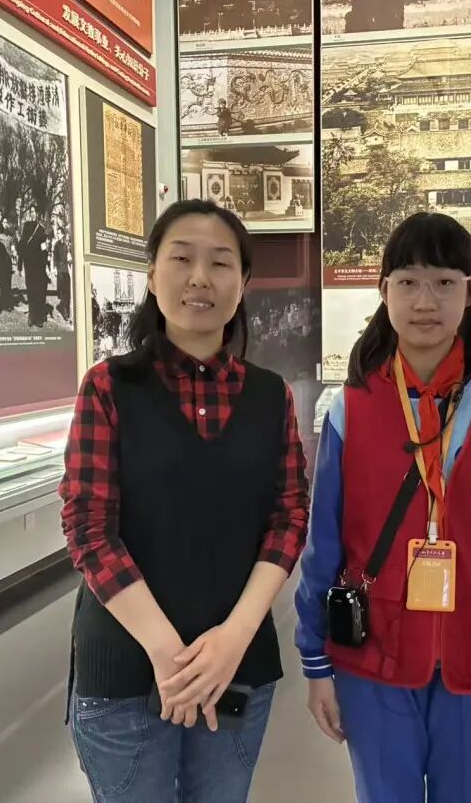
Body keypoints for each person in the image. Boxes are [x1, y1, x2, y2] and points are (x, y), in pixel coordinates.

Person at [294, 212, 471, 803]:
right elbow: (324, 542)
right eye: (408, 281)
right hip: (375, 651)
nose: (425, 301)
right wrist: (315, 660)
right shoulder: (352, 407)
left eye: (444, 282)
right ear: (383, 290)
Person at [60, 199, 310, 803]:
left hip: (238, 668)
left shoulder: (270, 396)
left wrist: (234, 639)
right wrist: (169, 655)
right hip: (125, 670)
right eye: (181, 259)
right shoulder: (108, 387)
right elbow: (89, 527)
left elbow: (288, 518)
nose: (200, 277)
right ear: (152, 276)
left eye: (220, 263)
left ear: (243, 283)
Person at [18, 205, 49, 327]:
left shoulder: (41, 229)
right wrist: (20, 265)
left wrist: (46, 264)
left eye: (35, 212)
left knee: (39, 290)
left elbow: (44, 249)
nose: (33, 214)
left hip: (39, 265)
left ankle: (39, 317)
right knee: (30, 290)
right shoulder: (26, 226)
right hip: (29, 264)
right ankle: (31, 316)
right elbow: (22, 245)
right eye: (31, 212)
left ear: (38, 214)